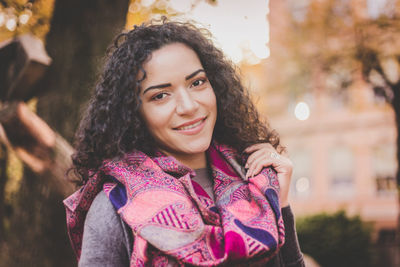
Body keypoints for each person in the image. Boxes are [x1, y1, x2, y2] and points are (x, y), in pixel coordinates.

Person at [64, 18, 305, 267]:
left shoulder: (252, 178)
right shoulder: (115, 207)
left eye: (197, 82)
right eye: (160, 96)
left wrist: (280, 201)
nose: (189, 106)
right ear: (133, 113)